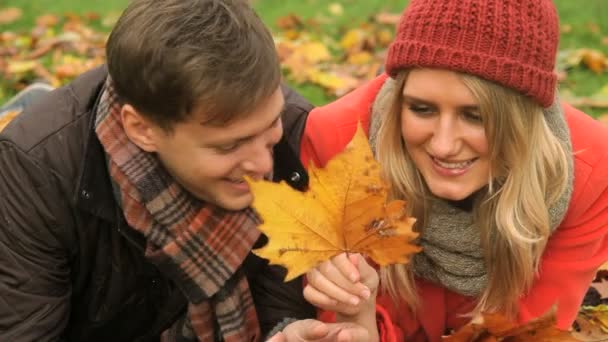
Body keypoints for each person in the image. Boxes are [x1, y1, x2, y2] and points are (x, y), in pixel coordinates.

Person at [0, 0, 370, 341]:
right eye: (228, 145)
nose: (263, 164)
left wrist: (285, 333)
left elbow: (278, 302)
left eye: (268, 125)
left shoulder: (294, 133)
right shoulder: (37, 171)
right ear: (142, 130)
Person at [299, 0, 608, 340]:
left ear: (520, 120)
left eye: (475, 116)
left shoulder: (587, 171)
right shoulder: (337, 144)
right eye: (421, 109)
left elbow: (532, 332)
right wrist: (361, 320)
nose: (444, 146)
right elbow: (346, 325)